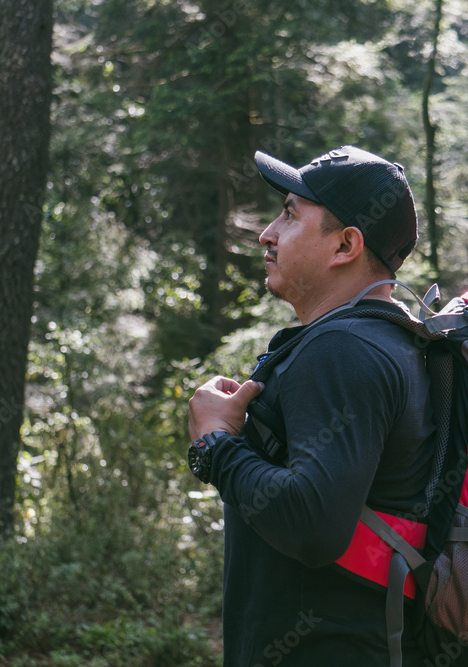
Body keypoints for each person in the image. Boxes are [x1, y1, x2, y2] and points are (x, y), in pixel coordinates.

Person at [186, 145, 436, 666]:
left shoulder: (344, 351)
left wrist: (215, 444)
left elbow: (313, 523)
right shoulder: (392, 343)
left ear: (346, 244)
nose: (268, 233)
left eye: (290, 215)